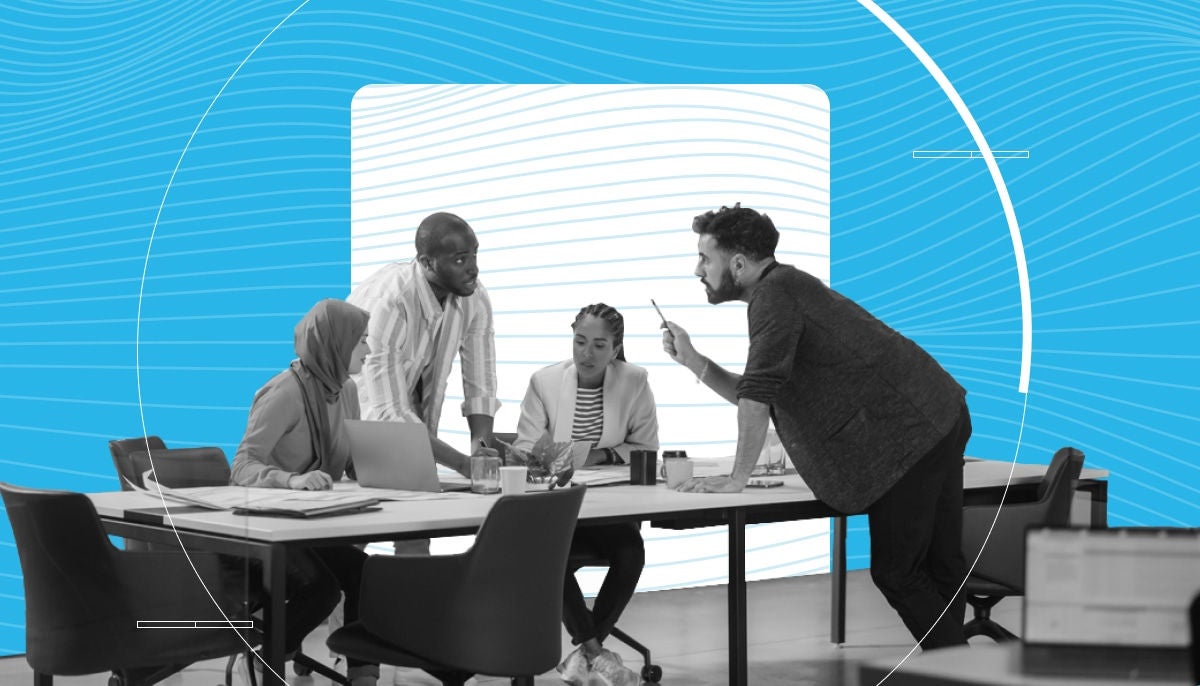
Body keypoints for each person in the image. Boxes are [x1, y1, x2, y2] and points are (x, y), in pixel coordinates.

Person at [661, 203, 973, 650]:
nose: (698, 269)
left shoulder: (774, 295)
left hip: (910, 434)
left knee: (898, 572)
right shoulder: (785, 287)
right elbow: (758, 390)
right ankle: (961, 666)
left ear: (738, 264)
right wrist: (694, 361)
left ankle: (962, 668)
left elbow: (757, 396)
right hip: (939, 412)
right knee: (942, 563)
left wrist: (737, 479)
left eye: (704, 258)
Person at [230, 298, 379, 685]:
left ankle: (364, 673)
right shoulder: (283, 393)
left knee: (364, 571)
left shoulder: (345, 391)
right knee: (322, 588)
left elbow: (347, 460)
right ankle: (270, 657)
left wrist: (388, 468)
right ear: (334, 344)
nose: (369, 350)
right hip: (267, 529)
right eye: (361, 341)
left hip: (309, 526)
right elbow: (242, 466)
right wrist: (290, 479)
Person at [515, 303, 655, 686]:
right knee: (549, 556)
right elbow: (527, 448)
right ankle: (596, 654)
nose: (586, 354)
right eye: (579, 342)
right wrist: (574, 457)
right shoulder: (544, 382)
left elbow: (646, 448)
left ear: (615, 347)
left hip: (606, 509)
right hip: (556, 511)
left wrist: (598, 454)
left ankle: (585, 655)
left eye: (598, 345)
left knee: (632, 552)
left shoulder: (634, 380)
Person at [346, 211, 500, 475]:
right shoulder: (390, 301)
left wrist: (481, 447)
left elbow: (481, 386)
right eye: (460, 260)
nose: (473, 268)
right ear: (427, 263)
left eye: (474, 255)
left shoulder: (475, 296)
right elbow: (390, 414)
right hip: (358, 430)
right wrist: (464, 464)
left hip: (409, 432)